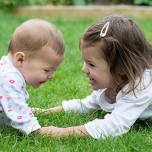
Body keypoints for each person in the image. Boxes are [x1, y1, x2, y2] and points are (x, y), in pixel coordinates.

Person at [32, 15, 152, 139]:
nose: (83, 69)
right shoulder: (110, 82)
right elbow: (86, 104)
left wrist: (59, 132)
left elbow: (114, 126)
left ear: (120, 68)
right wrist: (44, 112)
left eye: (91, 64)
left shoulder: (141, 86)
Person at [0, 18, 64, 135]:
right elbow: (15, 105)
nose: (51, 76)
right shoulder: (8, 78)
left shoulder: (8, 69)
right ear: (21, 59)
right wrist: (35, 129)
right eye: (47, 70)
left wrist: (28, 110)